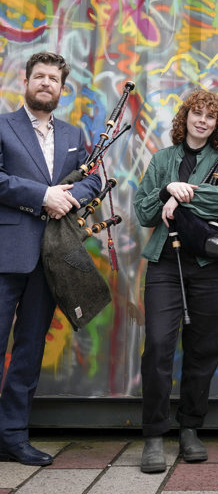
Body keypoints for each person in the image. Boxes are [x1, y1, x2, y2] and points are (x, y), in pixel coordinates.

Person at [0, 52, 101, 466]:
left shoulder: (75, 133)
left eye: (53, 79)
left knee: (28, 352)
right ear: (25, 82)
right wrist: (43, 195)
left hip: (51, 259)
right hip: (6, 256)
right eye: (39, 76)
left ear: (62, 88)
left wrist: (69, 197)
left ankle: (11, 437)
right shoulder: (3, 126)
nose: (46, 83)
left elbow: (95, 178)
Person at [133, 89, 218, 474]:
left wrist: (179, 198)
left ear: (217, 125)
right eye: (197, 113)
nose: (203, 121)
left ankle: (191, 428)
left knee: (204, 347)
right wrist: (165, 188)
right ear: (186, 117)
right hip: (165, 261)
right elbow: (144, 211)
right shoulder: (163, 159)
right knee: (159, 345)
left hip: (211, 264)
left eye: (211, 117)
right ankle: (153, 435)